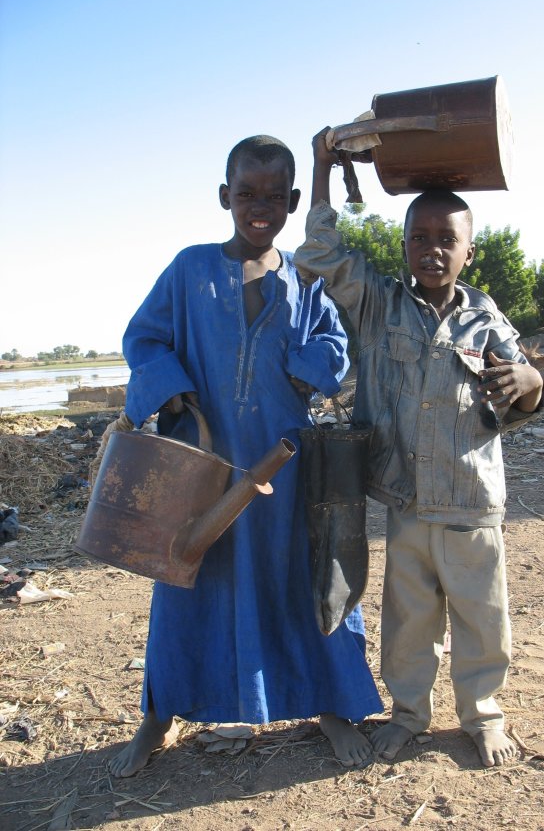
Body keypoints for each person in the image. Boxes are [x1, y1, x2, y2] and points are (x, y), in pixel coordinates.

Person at [108, 135, 383, 777]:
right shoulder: (188, 270)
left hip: (280, 471)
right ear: (224, 196)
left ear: (290, 201)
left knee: (302, 577)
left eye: (272, 196)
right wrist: (170, 383)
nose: (258, 206)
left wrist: (303, 369)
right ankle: (159, 714)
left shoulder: (304, 282)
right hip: (200, 470)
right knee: (186, 580)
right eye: (246, 193)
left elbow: (333, 346)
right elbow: (144, 338)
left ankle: (330, 704)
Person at [293, 130, 544, 768]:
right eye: (420, 238)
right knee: (408, 622)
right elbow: (320, 255)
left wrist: (531, 381)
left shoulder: (486, 317)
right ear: (405, 243)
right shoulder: (376, 305)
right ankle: (410, 713)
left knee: (481, 618)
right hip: (406, 501)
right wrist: (323, 171)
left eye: (448, 240)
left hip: (472, 501)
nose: (432, 251)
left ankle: (483, 715)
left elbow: (524, 389)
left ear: (469, 251)